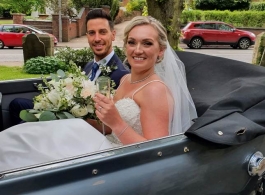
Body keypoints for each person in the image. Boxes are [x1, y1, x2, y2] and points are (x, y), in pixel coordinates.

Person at [0, 16, 197, 171]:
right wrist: (88, 120)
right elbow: (109, 128)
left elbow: (157, 152)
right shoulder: (126, 79)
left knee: (35, 155)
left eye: (147, 43)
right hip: (103, 140)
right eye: (132, 42)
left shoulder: (155, 90)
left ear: (160, 51)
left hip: (120, 158)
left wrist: (115, 122)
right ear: (125, 45)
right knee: (30, 137)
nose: (138, 50)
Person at [8, 9, 129, 126]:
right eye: (92, 33)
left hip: (77, 127)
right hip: (65, 114)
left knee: (25, 125)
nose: (97, 39)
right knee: (16, 104)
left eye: (102, 32)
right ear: (87, 36)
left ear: (113, 35)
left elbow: (108, 124)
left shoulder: (121, 76)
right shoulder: (89, 65)